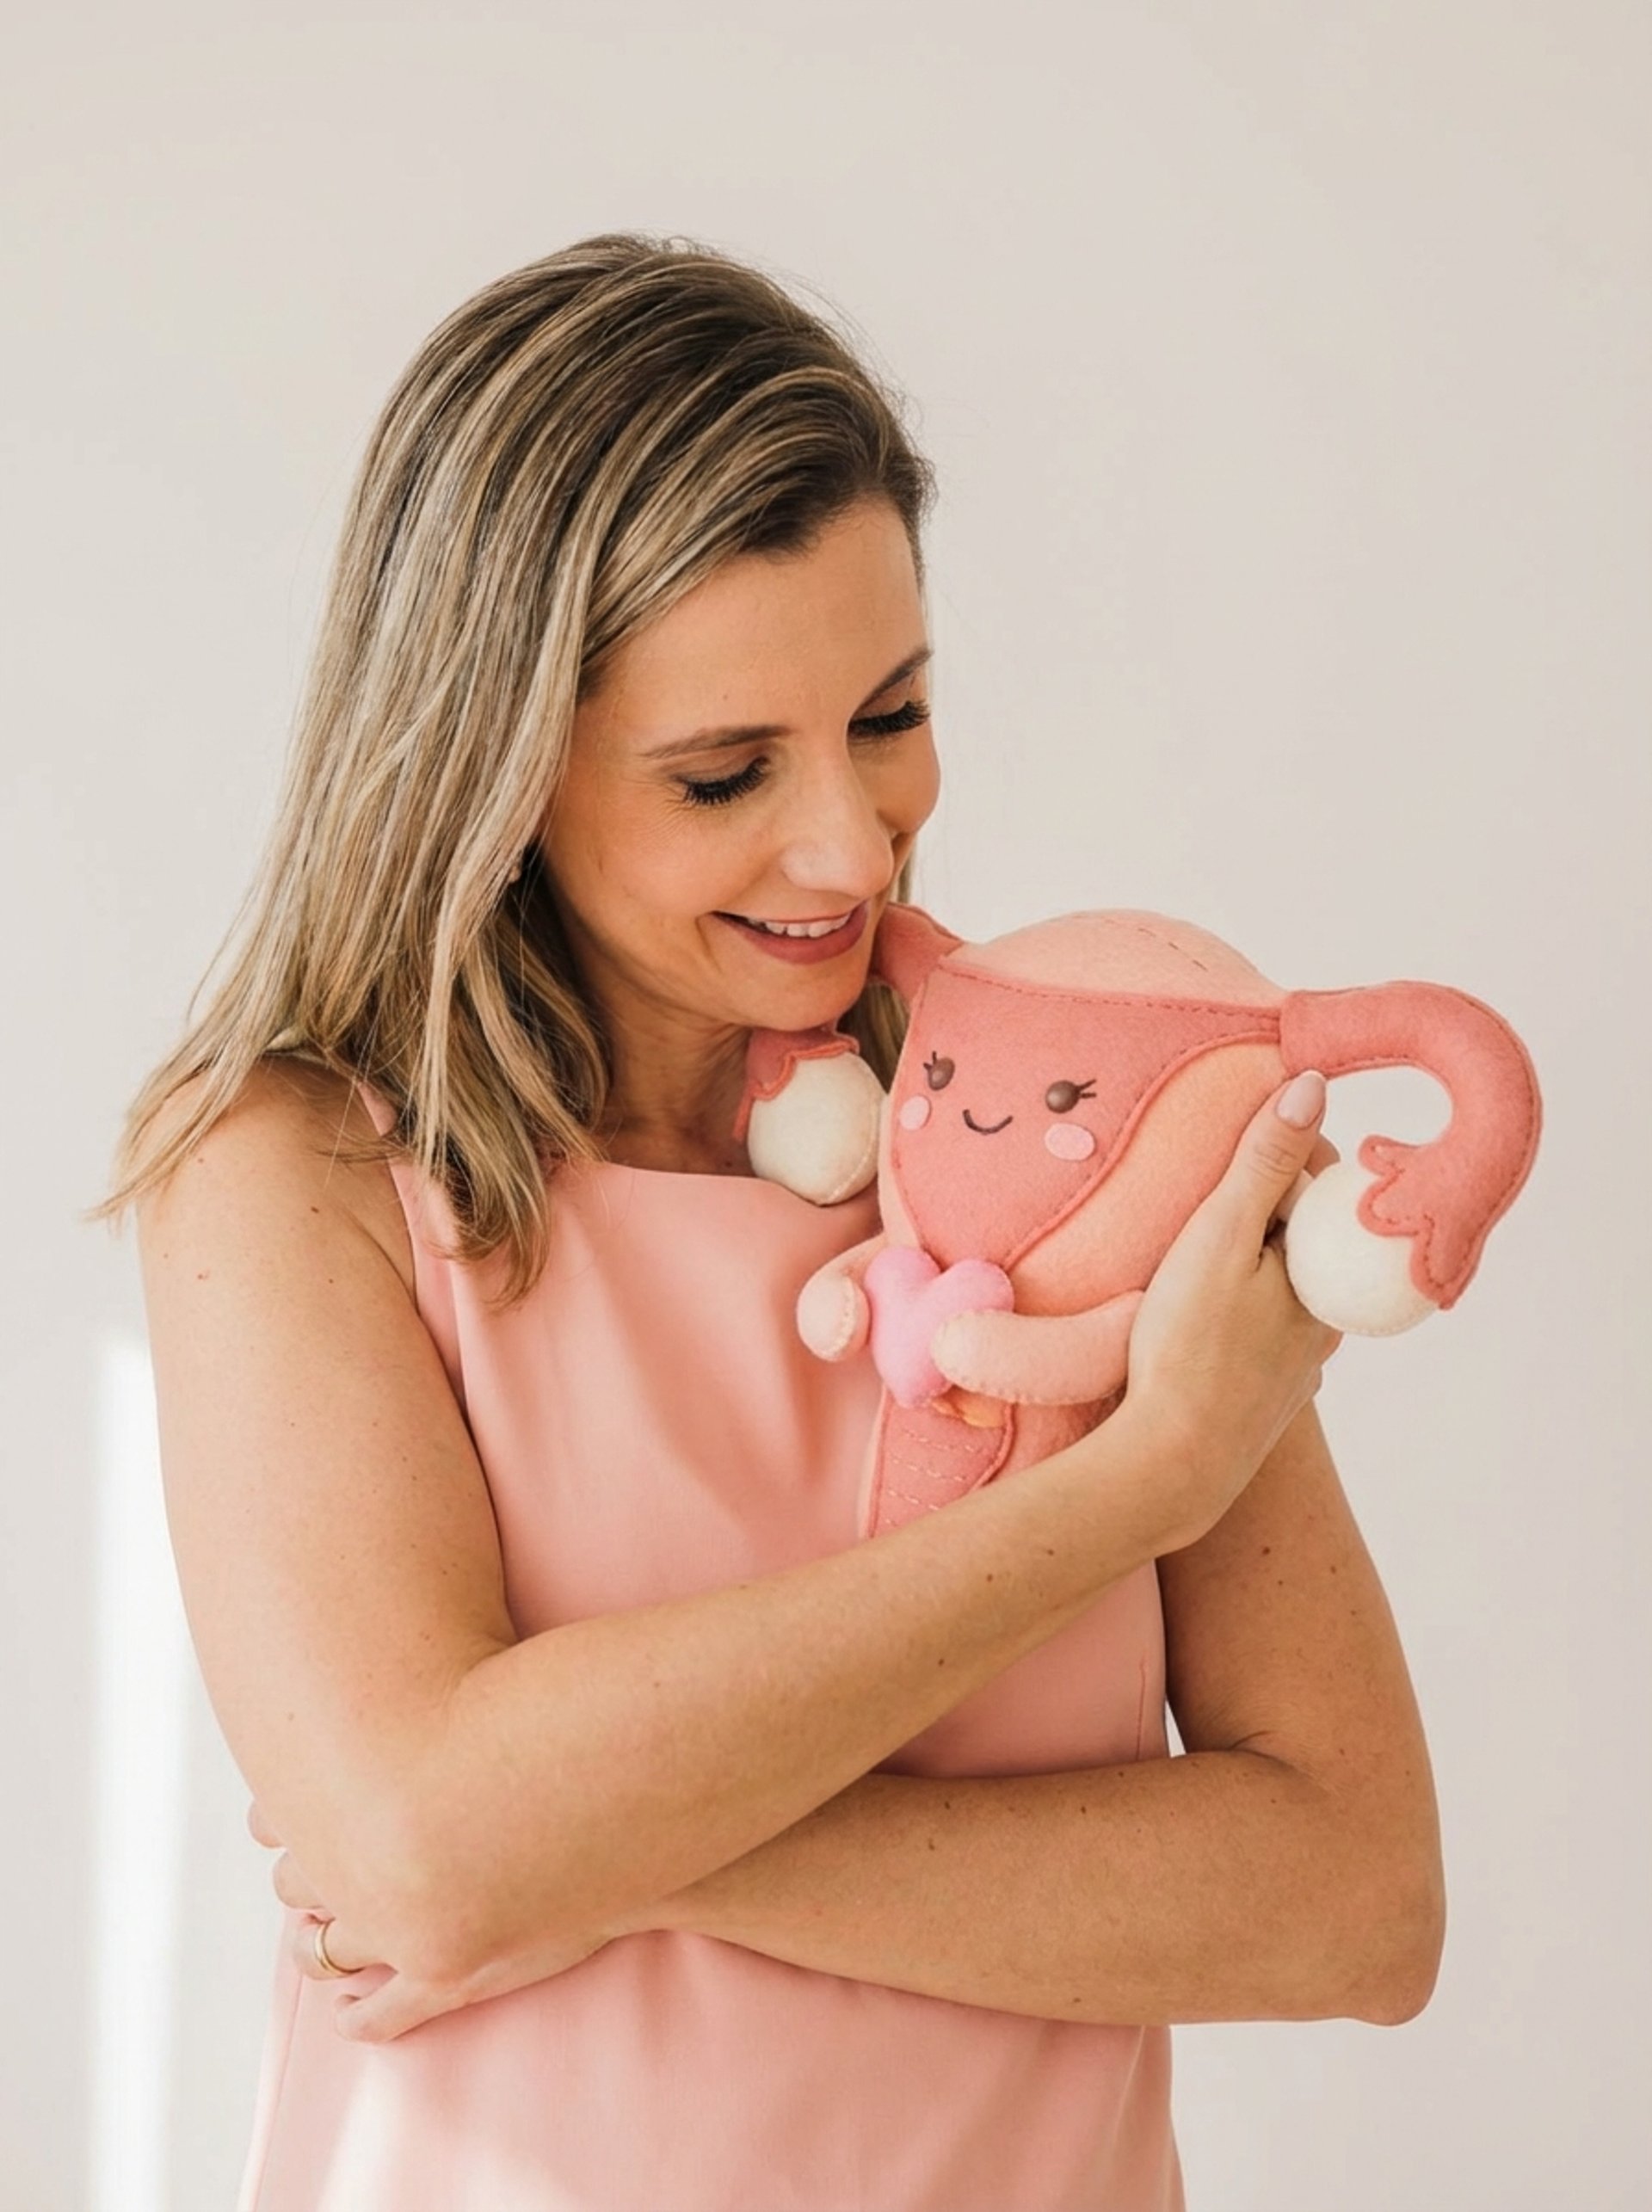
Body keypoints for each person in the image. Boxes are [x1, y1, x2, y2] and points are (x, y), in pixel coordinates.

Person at [98, 232, 1444, 2212]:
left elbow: (1354, 1901)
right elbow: (414, 1842)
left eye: (890, 716)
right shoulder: (292, 1174)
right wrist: (1135, 1480)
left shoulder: (1086, 1125)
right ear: (497, 765)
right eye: (725, 769)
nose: (850, 841)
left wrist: (589, 1840)